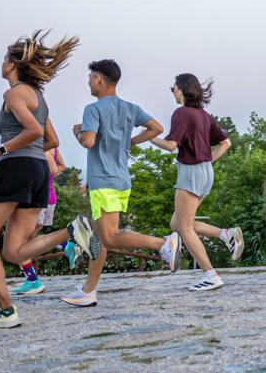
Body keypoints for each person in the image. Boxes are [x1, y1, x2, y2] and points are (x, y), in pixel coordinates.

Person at [0, 32, 99, 329]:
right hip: (38, 170)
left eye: (5, 59)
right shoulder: (38, 98)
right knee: (13, 251)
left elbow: (34, 132)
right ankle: (71, 232)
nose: (1, 63)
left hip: (15, 168)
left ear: (13, 65)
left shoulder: (14, 94)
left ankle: (5, 311)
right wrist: (28, 158)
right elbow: (51, 139)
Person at [57, 59, 178, 307]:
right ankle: (88, 291)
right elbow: (156, 128)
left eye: (90, 77)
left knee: (109, 237)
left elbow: (88, 141)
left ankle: (164, 244)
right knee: (98, 238)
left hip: (103, 181)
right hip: (121, 180)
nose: (89, 82)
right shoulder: (130, 108)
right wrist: (132, 141)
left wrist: (77, 132)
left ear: (99, 79)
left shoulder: (94, 109)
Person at [148, 74, 243, 291]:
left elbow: (172, 145)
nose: (172, 91)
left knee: (184, 228)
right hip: (206, 172)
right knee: (178, 224)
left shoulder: (182, 113)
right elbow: (226, 143)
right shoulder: (204, 115)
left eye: (173, 88)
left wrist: (149, 138)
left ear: (181, 89)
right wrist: (209, 160)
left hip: (190, 173)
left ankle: (211, 275)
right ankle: (224, 234)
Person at [9, 146, 66, 296]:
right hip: (48, 196)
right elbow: (62, 166)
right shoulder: (52, 147)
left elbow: (53, 169)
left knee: (19, 244)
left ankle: (33, 282)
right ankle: (63, 243)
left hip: (38, 197)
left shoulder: (42, 146)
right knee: (29, 241)